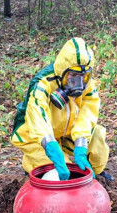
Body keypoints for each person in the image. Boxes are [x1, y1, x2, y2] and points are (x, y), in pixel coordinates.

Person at [10, 37, 109, 180]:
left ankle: (94, 174)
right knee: (59, 172)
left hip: (67, 132)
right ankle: (32, 166)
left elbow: (88, 113)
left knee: (97, 136)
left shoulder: (88, 85)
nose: (78, 82)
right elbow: (37, 118)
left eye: (83, 76)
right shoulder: (43, 83)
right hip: (36, 136)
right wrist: (50, 145)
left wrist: (81, 143)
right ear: (63, 71)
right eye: (73, 75)